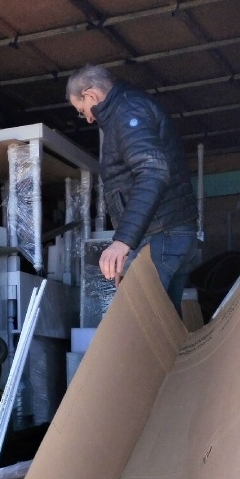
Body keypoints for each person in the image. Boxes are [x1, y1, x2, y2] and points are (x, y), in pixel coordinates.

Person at [66, 64, 201, 312]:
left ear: (90, 95)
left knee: (136, 326)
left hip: (163, 237)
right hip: (170, 236)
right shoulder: (128, 110)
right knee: (162, 330)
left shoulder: (128, 113)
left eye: (82, 110)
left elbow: (153, 172)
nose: (88, 118)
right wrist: (132, 251)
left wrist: (123, 243)